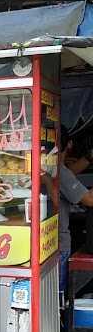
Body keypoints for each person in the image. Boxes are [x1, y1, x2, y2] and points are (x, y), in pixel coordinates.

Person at [58, 127, 93, 297]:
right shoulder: (60, 171)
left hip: (49, 243)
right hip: (57, 244)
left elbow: (70, 175)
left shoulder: (52, 169)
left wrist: (88, 158)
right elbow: (90, 200)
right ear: (70, 144)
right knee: (58, 294)